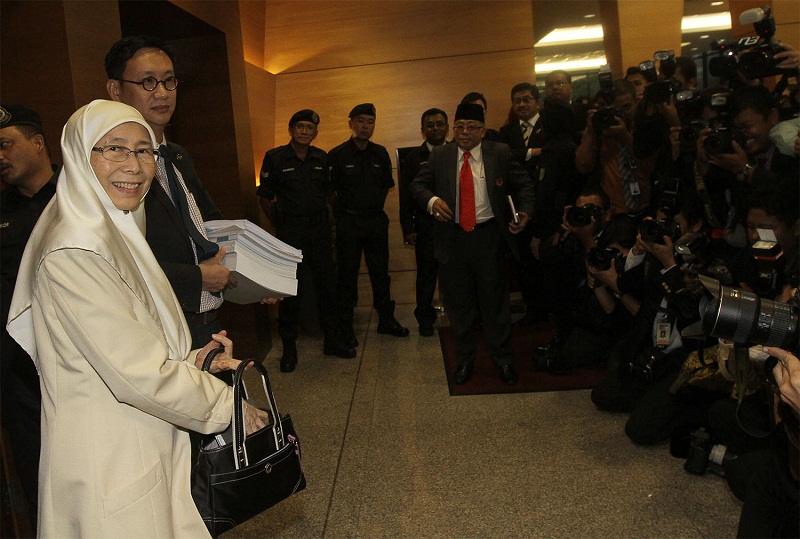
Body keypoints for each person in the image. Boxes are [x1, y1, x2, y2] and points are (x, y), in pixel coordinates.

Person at [6, 100, 267, 538]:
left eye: (144, 151)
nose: (134, 165)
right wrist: (229, 407)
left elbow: (135, 339)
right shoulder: (75, 250)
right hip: (112, 457)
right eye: (114, 149)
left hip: (143, 438)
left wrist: (195, 358)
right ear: (77, 156)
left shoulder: (113, 228)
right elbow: (138, 373)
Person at [105, 35, 234, 349]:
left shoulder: (176, 156)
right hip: (155, 333)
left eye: (168, 81)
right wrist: (195, 278)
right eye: (147, 82)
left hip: (208, 326)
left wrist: (256, 274)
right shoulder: (111, 165)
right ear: (116, 91)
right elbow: (111, 260)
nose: (161, 93)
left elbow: (211, 226)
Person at [410, 102, 535, 385]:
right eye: (460, 127)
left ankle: (503, 361)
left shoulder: (499, 153)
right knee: (460, 307)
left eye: (472, 127)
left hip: (488, 237)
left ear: (482, 130)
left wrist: (525, 211)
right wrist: (431, 201)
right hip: (452, 239)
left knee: (495, 305)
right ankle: (464, 362)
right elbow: (417, 186)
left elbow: (525, 184)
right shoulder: (441, 155)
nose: (464, 132)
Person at [257, 109, 356, 372]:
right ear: (291, 130)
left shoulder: (321, 158)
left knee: (327, 287)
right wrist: (282, 223)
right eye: (299, 126)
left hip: (320, 231)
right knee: (291, 291)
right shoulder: (275, 158)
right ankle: (289, 348)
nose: (304, 131)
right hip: (291, 234)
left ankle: (332, 341)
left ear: (315, 132)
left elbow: (328, 194)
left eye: (309, 128)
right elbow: (265, 197)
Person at [0, 104, 59, 531]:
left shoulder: (81, 195)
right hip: (20, 376)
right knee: (38, 479)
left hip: (80, 366)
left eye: (4, 144)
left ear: (37, 142)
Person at [329, 103, 409, 346]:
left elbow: (386, 185)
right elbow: (330, 193)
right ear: (351, 123)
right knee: (347, 276)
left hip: (375, 221)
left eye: (370, 122)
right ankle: (345, 326)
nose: (365, 126)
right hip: (349, 222)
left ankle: (386, 319)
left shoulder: (380, 153)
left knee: (380, 273)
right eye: (361, 121)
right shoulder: (337, 154)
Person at [499, 82, 549, 326]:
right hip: (519, 206)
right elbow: (506, 156)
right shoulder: (506, 133)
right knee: (526, 263)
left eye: (526, 99)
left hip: (548, 202)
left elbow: (551, 151)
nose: (521, 104)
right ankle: (534, 310)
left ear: (537, 102)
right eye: (517, 100)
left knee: (548, 259)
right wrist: (532, 153)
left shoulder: (549, 126)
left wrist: (527, 152)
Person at [398, 108, 449, 337]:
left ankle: (459, 316)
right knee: (426, 275)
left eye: (439, 124)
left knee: (455, 274)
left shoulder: (457, 153)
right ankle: (425, 320)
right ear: (422, 130)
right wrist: (408, 228)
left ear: (447, 127)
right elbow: (405, 196)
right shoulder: (413, 158)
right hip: (426, 226)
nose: (435, 128)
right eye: (430, 125)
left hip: (453, 226)